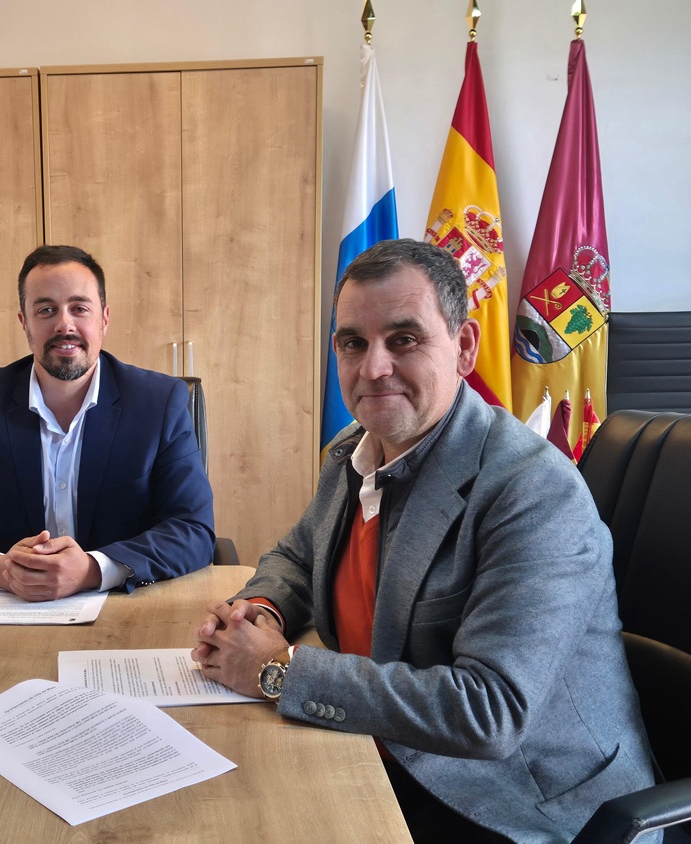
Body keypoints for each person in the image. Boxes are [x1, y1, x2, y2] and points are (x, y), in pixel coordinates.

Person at [191, 239, 656, 844]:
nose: (372, 368)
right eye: (352, 343)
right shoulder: (351, 452)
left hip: (508, 803)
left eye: (404, 339)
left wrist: (278, 669)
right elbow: (299, 557)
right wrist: (260, 610)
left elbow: (489, 712)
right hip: (373, 747)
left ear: (464, 347)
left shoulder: (532, 491)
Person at [0, 244, 215, 600]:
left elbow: (193, 530)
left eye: (79, 308)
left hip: (125, 607)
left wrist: (91, 570)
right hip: (10, 607)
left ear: (104, 319)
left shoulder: (159, 402)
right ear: (24, 322)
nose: (64, 325)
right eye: (46, 310)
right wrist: (5, 571)